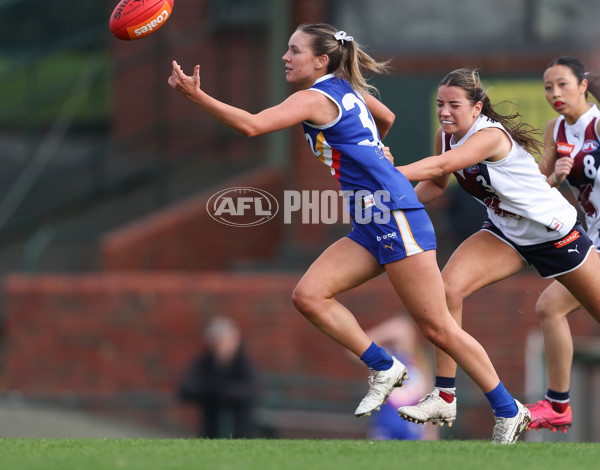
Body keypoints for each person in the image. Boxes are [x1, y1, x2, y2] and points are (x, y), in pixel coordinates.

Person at [168, 23, 529, 443]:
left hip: (394, 214)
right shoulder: (344, 89)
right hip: (370, 219)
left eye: (294, 50)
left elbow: (251, 126)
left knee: (437, 327)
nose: (285, 57)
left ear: (321, 60)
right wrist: (374, 149)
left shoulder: (316, 96)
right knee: (309, 295)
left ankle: (509, 409)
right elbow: (386, 117)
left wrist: (197, 96)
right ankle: (383, 365)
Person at [393, 67, 600, 434]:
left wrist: (387, 172)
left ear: (476, 109)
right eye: (440, 104)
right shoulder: (447, 135)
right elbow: (437, 184)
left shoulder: (488, 135)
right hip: (505, 232)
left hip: (554, 234)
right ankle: (444, 396)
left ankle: (556, 405)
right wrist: (392, 202)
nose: (444, 112)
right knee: (447, 290)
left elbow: (442, 166)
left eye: (454, 105)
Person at [524, 56, 600, 433]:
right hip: (595, 240)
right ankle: (558, 406)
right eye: (548, 87)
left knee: (549, 306)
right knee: (549, 308)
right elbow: (535, 190)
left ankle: (557, 405)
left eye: (563, 85)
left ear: (583, 85)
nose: (555, 93)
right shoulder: (555, 130)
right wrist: (554, 176)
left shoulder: (599, 124)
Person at [177, 316, 258, 438]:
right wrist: (210, 390)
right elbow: (186, 388)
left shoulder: (243, 362)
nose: (222, 345)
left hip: (240, 428)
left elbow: (252, 387)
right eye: (218, 341)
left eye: (226, 340)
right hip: (211, 427)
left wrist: (225, 392)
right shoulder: (204, 362)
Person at [363, 314, 437, 440]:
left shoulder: (421, 361)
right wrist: (383, 331)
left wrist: (431, 432)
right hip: (385, 424)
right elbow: (354, 352)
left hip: (414, 427)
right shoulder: (384, 358)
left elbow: (431, 399)